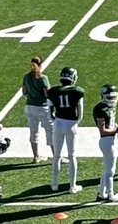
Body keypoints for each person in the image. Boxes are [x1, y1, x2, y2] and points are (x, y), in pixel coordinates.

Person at [49, 65, 84, 193]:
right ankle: (72, 185)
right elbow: (80, 113)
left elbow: (50, 112)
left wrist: (56, 120)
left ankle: (54, 184)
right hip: (71, 124)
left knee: (57, 155)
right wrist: (75, 123)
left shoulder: (53, 91)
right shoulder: (77, 91)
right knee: (72, 155)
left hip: (58, 123)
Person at [94, 83, 118, 203]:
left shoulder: (109, 108)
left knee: (107, 169)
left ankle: (101, 193)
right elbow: (103, 130)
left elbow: (109, 124)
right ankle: (110, 194)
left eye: (113, 97)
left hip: (110, 140)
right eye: (109, 97)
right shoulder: (100, 109)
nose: (112, 100)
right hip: (106, 141)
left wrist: (115, 127)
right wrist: (116, 129)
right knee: (110, 170)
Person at [22, 56, 53, 163]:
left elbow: (24, 92)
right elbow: (47, 94)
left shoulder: (26, 77)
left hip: (29, 106)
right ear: (40, 65)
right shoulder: (43, 78)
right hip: (42, 107)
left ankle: (36, 156)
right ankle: (56, 156)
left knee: (34, 131)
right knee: (50, 131)